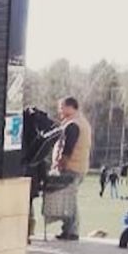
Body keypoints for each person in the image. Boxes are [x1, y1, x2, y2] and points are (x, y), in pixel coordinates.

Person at [50, 96, 92, 240]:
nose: (59, 110)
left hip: (72, 167)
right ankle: (68, 229)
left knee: (70, 200)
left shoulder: (73, 124)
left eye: (61, 107)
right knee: (69, 199)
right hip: (79, 167)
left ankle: (72, 231)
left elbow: (68, 149)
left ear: (70, 107)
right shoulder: (82, 122)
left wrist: (59, 164)